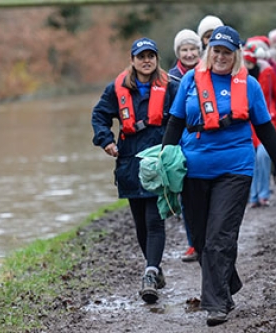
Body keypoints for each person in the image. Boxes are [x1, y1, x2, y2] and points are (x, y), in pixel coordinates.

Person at [162, 26, 276, 326]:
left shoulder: (248, 86)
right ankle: (227, 284)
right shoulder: (189, 81)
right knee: (200, 238)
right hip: (194, 168)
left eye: (227, 52)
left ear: (236, 55)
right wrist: (163, 159)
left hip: (235, 168)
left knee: (220, 235)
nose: (221, 57)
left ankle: (215, 304)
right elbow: (175, 121)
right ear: (209, 52)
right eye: (216, 51)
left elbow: (266, 130)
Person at [91, 37, 179, 304]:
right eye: (141, 56)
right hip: (129, 162)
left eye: (151, 56)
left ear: (156, 59)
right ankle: (154, 268)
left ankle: (150, 273)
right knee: (140, 222)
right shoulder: (115, 89)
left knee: (154, 219)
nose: (146, 60)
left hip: (158, 160)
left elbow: (183, 118)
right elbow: (99, 116)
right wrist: (106, 140)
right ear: (132, 60)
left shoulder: (170, 87)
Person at [243, 40, 276, 208]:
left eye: (250, 62)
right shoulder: (239, 77)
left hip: (268, 121)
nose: (248, 65)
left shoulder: (268, 73)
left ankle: (263, 194)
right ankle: (253, 196)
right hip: (248, 126)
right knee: (252, 159)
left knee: (263, 157)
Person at [168, 28, 202, 262]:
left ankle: (207, 240)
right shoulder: (169, 78)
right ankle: (193, 243)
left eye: (193, 49)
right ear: (178, 52)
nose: (189, 54)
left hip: (203, 141)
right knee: (185, 196)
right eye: (184, 49)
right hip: (179, 141)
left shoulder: (210, 72)